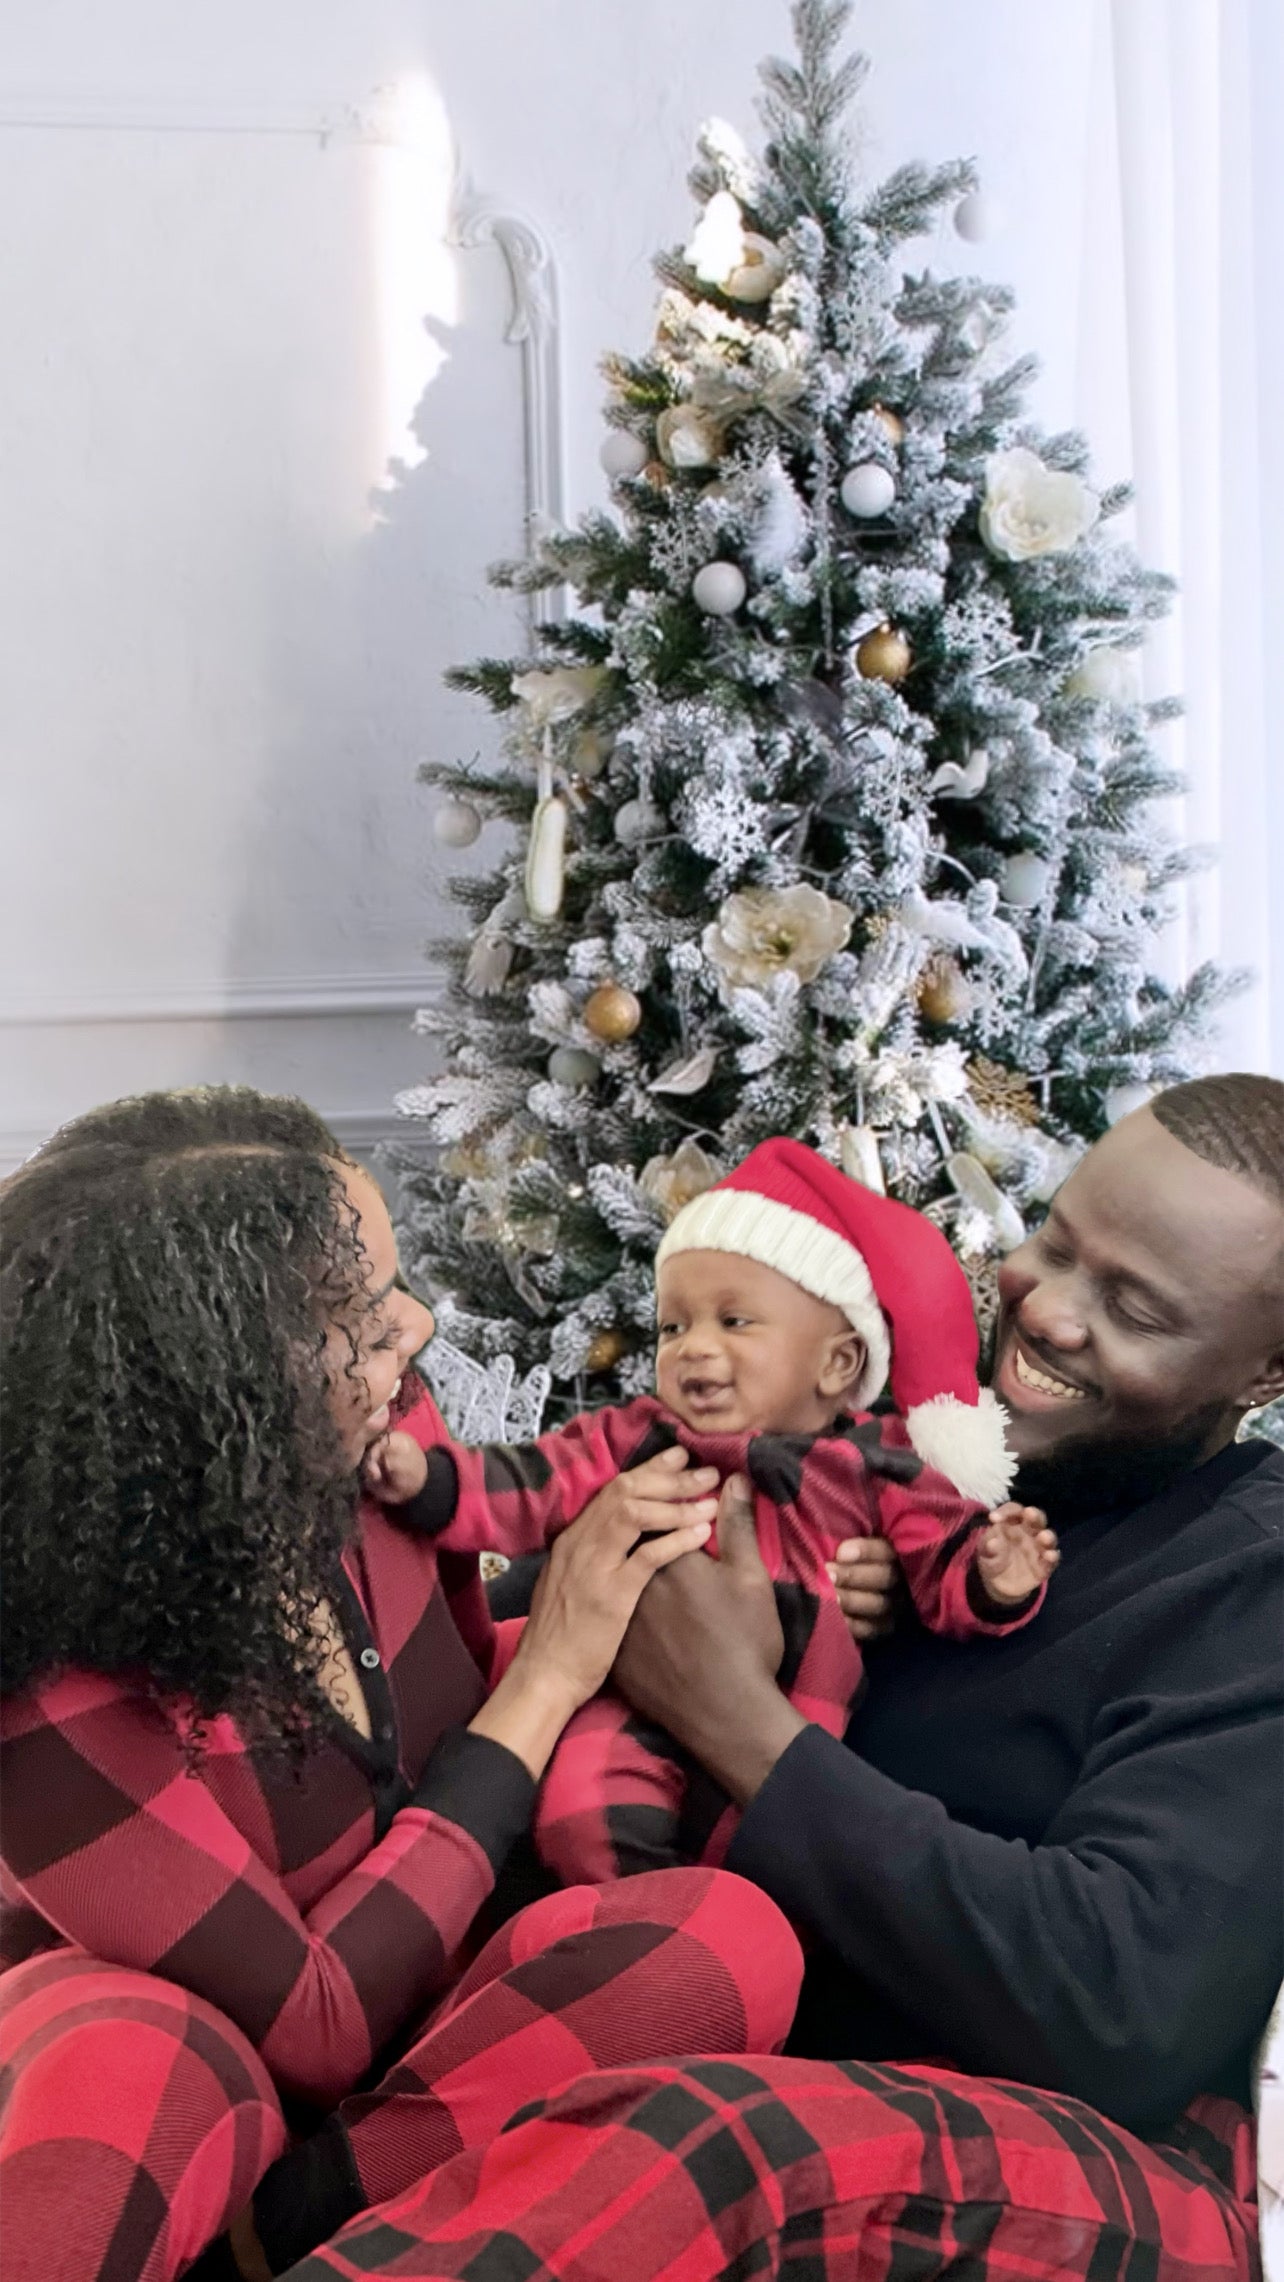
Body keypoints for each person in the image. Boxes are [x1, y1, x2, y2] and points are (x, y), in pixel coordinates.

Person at [294, 1073, 1283, 2282]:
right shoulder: (927, 1447)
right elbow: (576, 1600)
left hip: (920, 2087)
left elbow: (1117, 1996)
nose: (1050, 1314)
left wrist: (735, 1716)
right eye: (1056, 1241)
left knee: (685, 2137)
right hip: (652, 1949)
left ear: (1269, 1370)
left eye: (1131, 1304)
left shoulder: (1248, 1584)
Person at [0, 1087, 806, 2282]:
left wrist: (672, 1584)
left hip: (418, 2036)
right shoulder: (39, 1688)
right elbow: (315, 2026)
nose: (417, 1328)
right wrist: (547, 1675)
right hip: (205, 2067)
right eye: (365, 1321)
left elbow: (457, 1713)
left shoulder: (379, 1448)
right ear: (219, 1392)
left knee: (726, 1940)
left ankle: (292, 2241)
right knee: (136, 2061)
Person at [367, 1138, 1058, 1882]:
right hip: (631, 1692)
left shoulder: (877, 1465)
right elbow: (539, 1480)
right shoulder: (642, 1437)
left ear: (837, 1364)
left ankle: (716, 1945)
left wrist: (993, 1575)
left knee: (762, 1852)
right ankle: (627, 1939)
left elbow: (939, 1559)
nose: (692, 1348)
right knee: (582, 1815)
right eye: (673, 1327)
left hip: (786, 1721)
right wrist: (436, 1482)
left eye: (734, 1323)